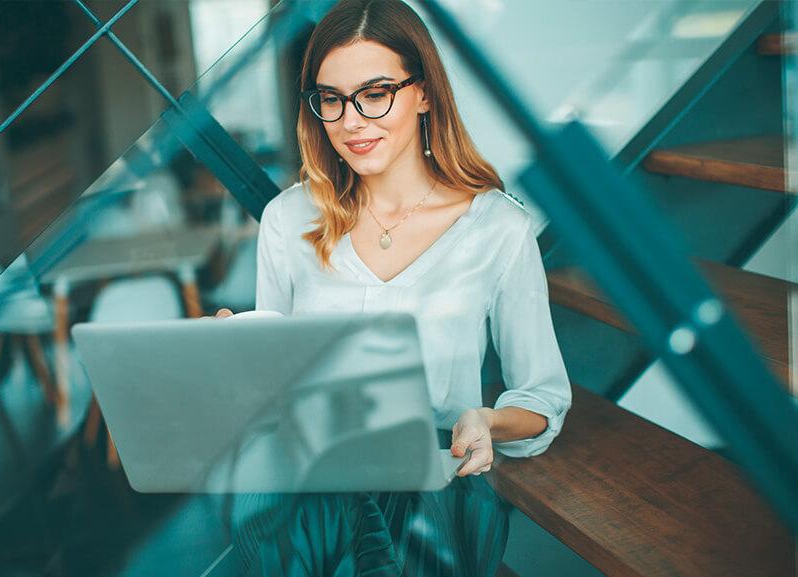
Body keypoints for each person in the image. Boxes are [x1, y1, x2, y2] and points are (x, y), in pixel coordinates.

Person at [213, 0, 572, 574]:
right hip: (313, 479)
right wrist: (236, 361)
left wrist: (484, 420)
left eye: (374, 93)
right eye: (331, 99)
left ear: (424, 92)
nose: (350, 121)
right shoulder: (288, 220)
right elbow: (270, 392)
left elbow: (541, 399)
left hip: (429, 481)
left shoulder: (498, 228)